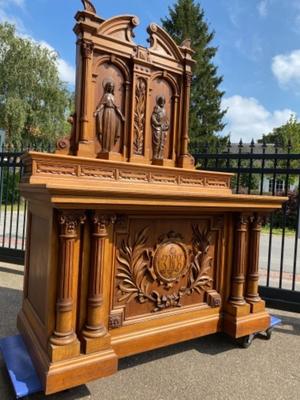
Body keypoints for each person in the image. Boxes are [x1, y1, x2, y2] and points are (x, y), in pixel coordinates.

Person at [94, 80, 125, 152]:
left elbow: (116, 107)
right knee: (106, 129)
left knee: (112, 130)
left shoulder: (113, 96)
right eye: (110, 87)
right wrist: (97, 111)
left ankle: (110, 147)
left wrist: (121, 116)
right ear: (107, 87)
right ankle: (104, 147)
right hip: (107, 112)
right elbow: (102, 104)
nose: (111, 88)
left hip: (113, 114)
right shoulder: (106, 95)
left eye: (112, 87)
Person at [151, 95, 169, 160]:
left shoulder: (164, 110)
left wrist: (167, 125)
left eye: (163, 101)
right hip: (158, 127)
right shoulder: (156, 108)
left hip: (163, 128)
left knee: (162, 143)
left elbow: (166, 119)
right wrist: (157, 123)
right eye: (161, 101)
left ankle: (160, 155)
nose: (162, 103)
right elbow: (153, 117)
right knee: (157, 141)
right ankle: (155, 155)